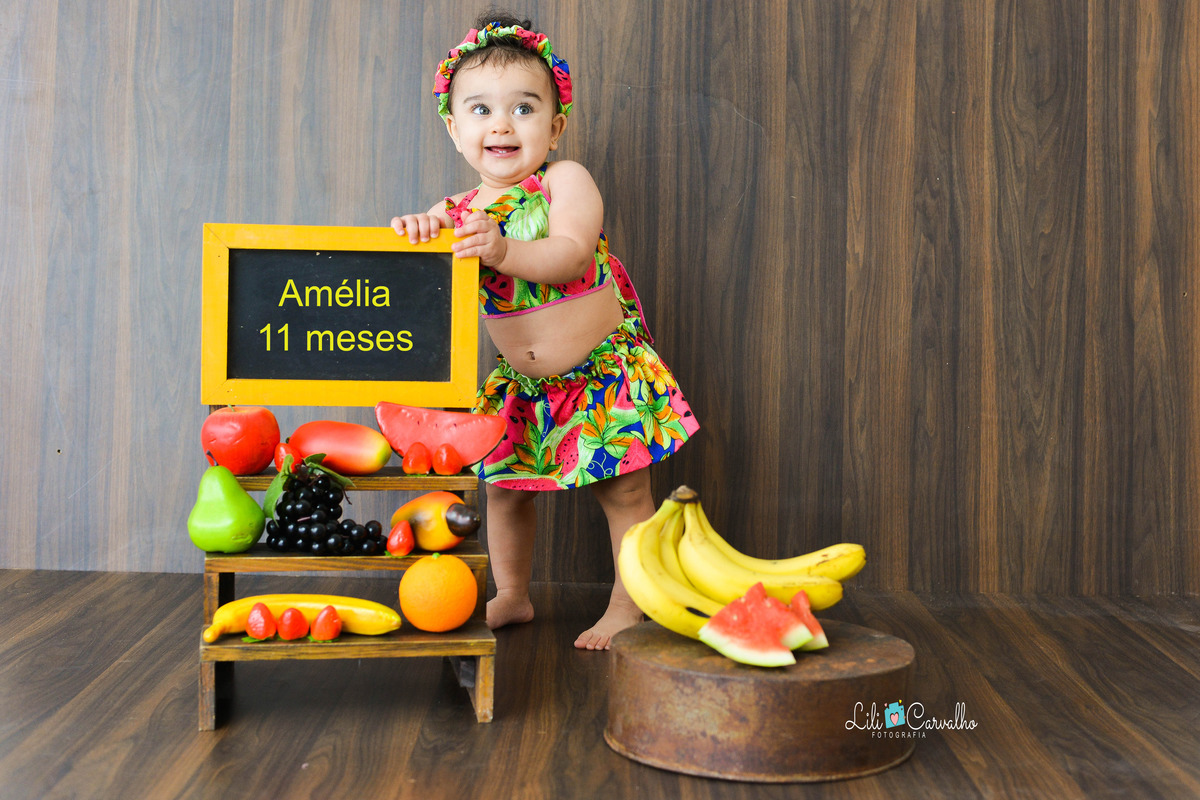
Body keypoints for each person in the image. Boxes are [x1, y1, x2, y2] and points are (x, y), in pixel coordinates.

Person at [392, 11, 699, 650]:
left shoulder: (564, 181)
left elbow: (571, 256)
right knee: (504, 493)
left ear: (555, 126)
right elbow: (426, 283)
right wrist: (418, 233)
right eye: (480, 109)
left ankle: (629, 603)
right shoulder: (453, 213)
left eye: (524, 108)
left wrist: (502, 250)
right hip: (522, 386)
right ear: (453, 128)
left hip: (600, 375)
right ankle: (512, 593)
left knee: (625, 491)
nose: (501, 124)